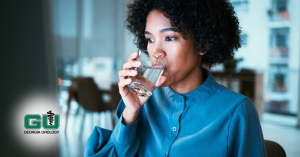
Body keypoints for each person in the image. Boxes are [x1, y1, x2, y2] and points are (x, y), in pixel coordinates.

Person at [84, 0, 267, 156]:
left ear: (203, 43)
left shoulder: (237, 112)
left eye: (170, 38)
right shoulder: (140, 99)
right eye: (150, 39)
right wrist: (130, 113)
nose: (156, 52)